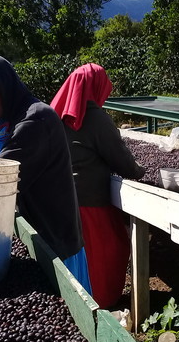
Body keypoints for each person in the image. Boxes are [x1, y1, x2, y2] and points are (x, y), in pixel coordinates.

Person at [0, 54, 91, 293]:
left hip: (55, 244)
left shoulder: (35, 120)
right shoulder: (0, 129)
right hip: (31, 239)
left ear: (6, 84)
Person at [50, 63, 146, 308]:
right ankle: (98, 305)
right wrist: (139, 170)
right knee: (108, 252)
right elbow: (121, 160)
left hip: (60, 201)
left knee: (74, 257)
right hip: (90, 203)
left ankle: (73, 301)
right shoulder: (94, 116)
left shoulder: (54, 115)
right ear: (96, 86)